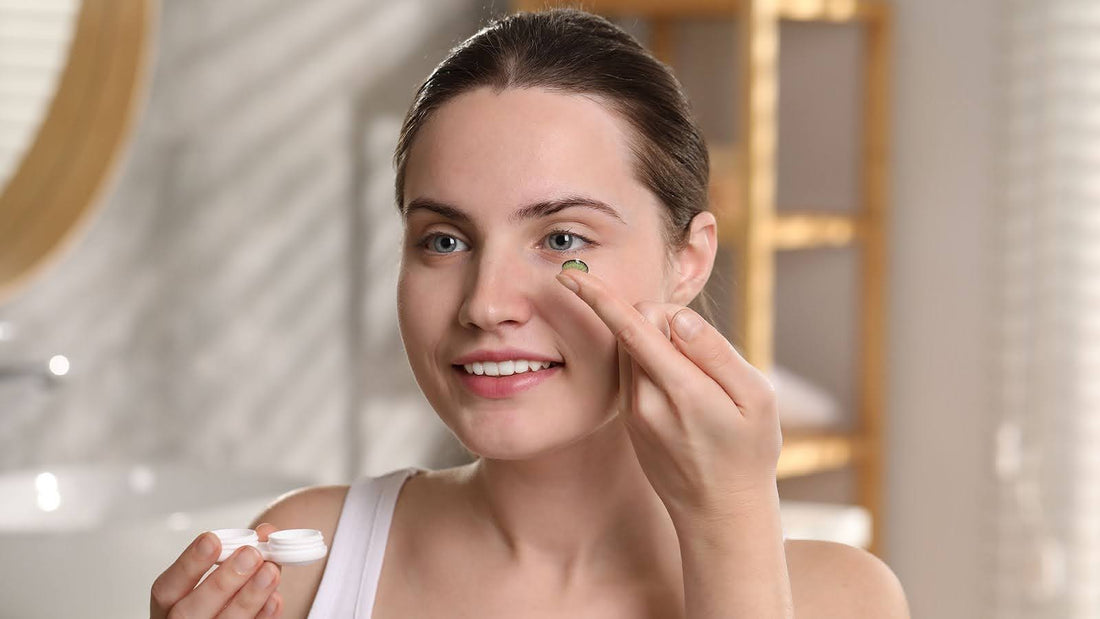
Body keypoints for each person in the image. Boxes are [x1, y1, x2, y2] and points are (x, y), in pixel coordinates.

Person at [150, 8, 910, 618]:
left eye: (562, 237)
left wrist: (730, 521)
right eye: (444, 239)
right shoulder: (304, 563)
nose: (484, 303)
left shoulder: (839, 599)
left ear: (689, 258)